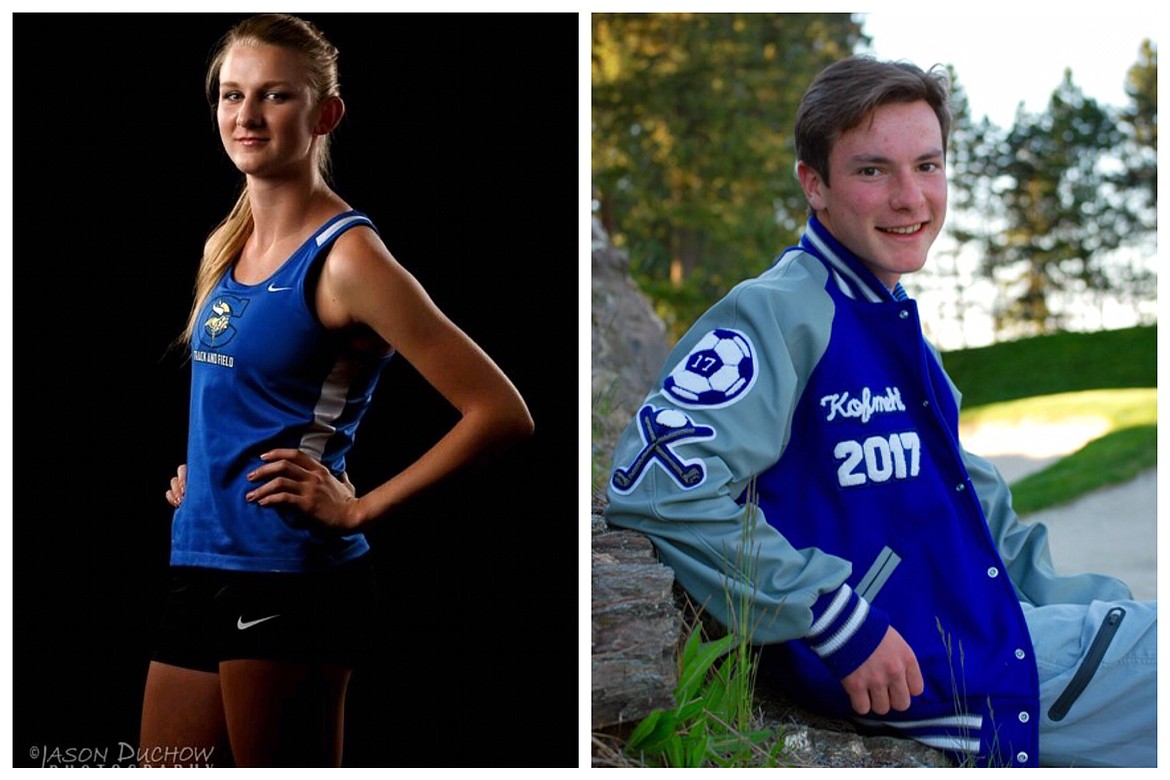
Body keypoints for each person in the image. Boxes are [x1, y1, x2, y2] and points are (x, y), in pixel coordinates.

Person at [604, 55, 1155, 768]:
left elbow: (992, 528)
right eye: (872, 170)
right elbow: (653, 485)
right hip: (951, 673)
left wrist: (1108, 613)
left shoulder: (898, 332)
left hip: (993, 636)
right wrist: (840, 621)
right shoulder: (779, 310)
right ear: (815, 184)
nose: (910, 197)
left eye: (928, 166)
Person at [138, 13, 534, 767]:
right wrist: (206, 477)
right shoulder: (226, 246)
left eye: (275, 97)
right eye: (231, 94)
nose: (246, 116)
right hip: (199, 563)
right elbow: (239, 405)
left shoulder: (350, 258)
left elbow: (501, 414)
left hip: (292, 581)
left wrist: (358, 507)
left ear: (325, 114)